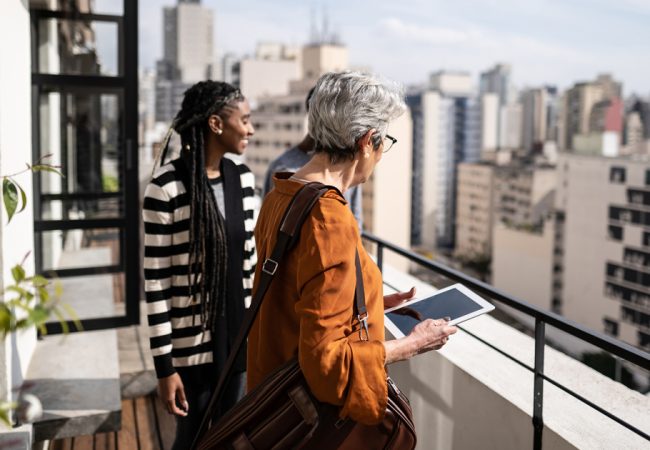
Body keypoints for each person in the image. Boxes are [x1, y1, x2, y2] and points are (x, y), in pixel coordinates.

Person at [247, 71, 457, 427]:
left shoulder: (282, 193)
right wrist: (414, 345)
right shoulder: (330, 219)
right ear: (366, 141)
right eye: (384, 141)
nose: (381, 155)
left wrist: (367, 301)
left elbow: (295, 295)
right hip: (306, 425)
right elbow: (328, 365)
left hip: (271, 404)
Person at [142, 81, 257, 449]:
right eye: (245, 119)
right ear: (216, 124)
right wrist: (165, 369)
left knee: (232, 437)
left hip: (238, 342)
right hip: (191, 351)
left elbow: (250, 267)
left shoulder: (243, 178)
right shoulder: (166, 188)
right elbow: (156, 283)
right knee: (192, 441)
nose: (251, 129)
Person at [262, 89, 363, 228]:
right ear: (312, 114)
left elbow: (356, 221)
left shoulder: (348, 165)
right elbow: (268, 223)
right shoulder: (282, 168)